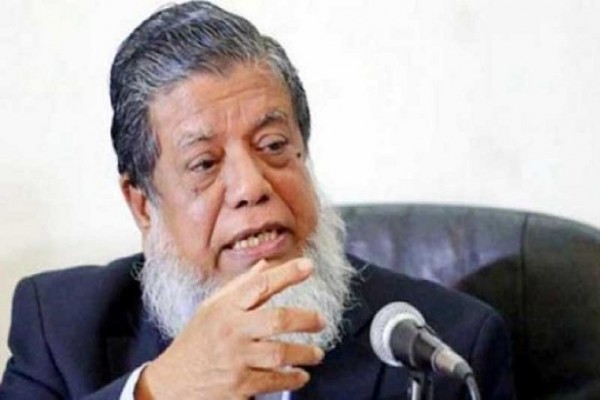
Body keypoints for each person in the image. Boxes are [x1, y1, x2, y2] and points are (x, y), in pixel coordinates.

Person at [0, 2, 514, 399]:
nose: (251, 186)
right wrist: (162, 389)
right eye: (205, 163)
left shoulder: (445, 349)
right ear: (142, 205)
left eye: (273, 146)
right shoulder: (60, 330)